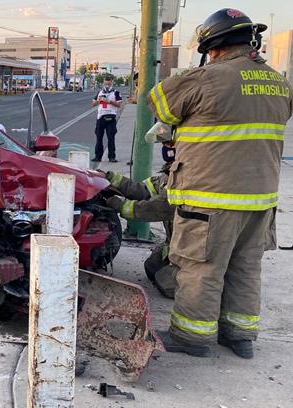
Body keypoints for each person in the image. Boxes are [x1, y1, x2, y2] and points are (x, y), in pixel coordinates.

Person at [147, 8, 293, 359]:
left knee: (202, 269)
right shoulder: (278, 82)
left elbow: (159, 104)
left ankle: (191, 337)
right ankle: (239, 336)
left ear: (213, 46)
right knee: (245, 267)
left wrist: (194, 76)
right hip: (260, 200)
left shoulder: (208, 79)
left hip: (211, 198)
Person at [103, 123, 177, 298]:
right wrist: (109, 178)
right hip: (175, 243)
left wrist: (120, 205)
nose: (166, 148)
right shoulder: (168, 175)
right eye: (164, 144)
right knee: (151, 267)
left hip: (191, 247)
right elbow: (142, 190)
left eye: (169, 144)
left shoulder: (186, 176)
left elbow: (160, 207)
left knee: (166, 284)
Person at [91, 75, 122, 162]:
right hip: (101, 117)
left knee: (111, 138)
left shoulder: (116, 92)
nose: (107, 85)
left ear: (112, 82)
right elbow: (93, 103)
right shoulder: (100, 92)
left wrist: (109, 101)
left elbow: (119, 104)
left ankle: (112, 157)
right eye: (106, 83)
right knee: (99, 137)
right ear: (103, 83)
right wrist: (98, 100)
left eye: (109, 83)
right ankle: (98, 156)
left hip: (111, 117)